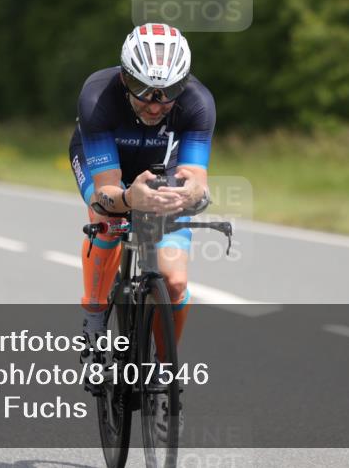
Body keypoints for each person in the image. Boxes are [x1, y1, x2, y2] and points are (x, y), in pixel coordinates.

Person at [70, 23, 215, 432]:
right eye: (144, 90)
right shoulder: (97, 96)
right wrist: (130, 200)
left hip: (161, 170)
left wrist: (188, 196)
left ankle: (166, 380)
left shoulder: (198, 102)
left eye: (169, 93)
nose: (156, 105)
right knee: (107, 220)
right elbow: (106, 192)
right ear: (123, 77)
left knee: (172, 281)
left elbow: (195, 178)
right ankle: (95, 322)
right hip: (108, 166)